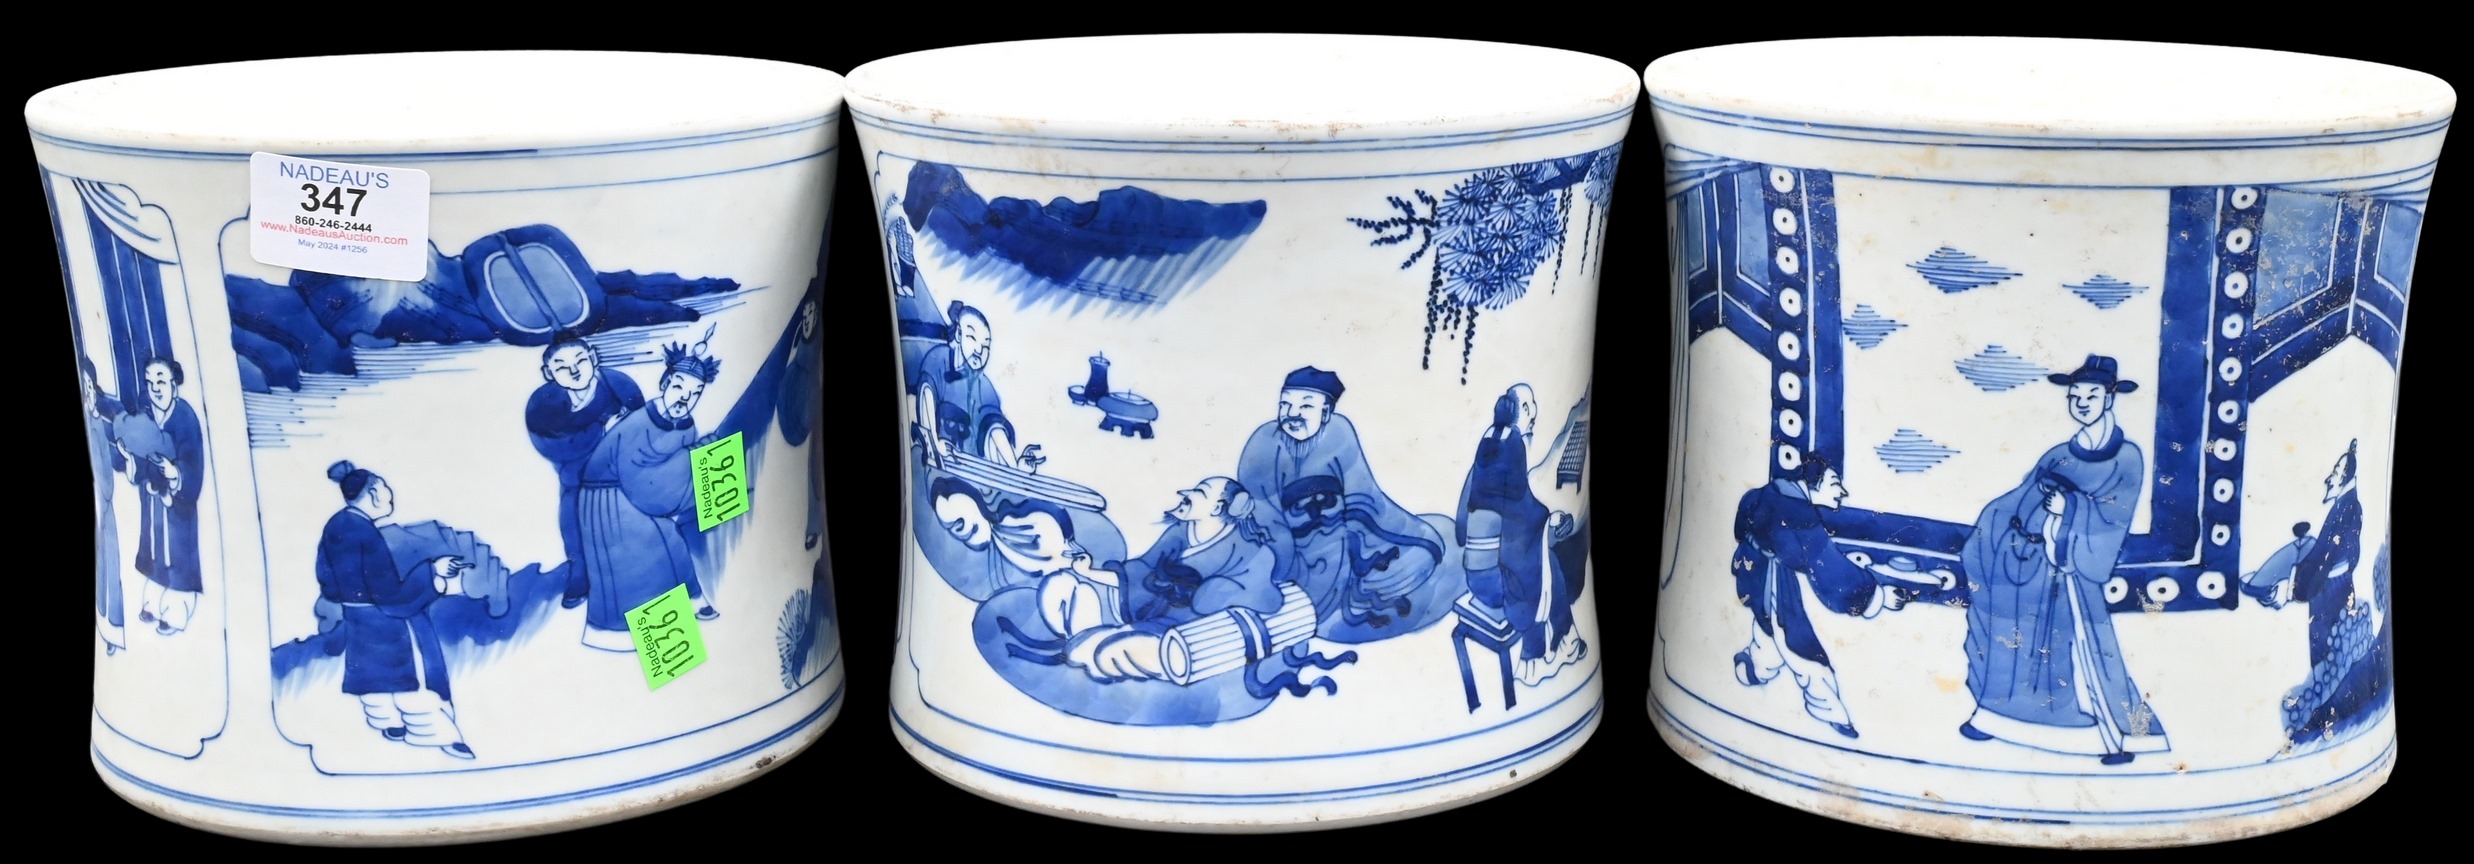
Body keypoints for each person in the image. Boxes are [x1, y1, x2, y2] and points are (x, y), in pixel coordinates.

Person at [1956, 354, 2169, 764]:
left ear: (2109, 398)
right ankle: (1998, 718)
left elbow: (2114, 515)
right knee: (2016, 643)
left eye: (2092, 395)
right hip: (2034, 565)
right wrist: (1989, 532)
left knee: (2087, 652)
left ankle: (2118, 738)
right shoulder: (2057, 455)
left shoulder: (2127, 458)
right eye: (2075, 397)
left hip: (2073, 570)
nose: (2082, 403)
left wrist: (2068, 509)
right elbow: (2019, 498)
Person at [1729, 455, 1950, 738]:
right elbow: (1831, 572)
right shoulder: (1798, 517)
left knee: (1770, 628)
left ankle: (1754, 670)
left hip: (1753, 571)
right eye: (1835, 483)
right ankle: (1830, 714)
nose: (1842, 492)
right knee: (1801, 648)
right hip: (1773, 579)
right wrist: (1878, 598)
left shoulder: (1770, 495)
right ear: (1814, 483)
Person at [1235, 366, 1446, 630]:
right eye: (1285, 405)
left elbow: (1364, 497)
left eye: (1305, 407)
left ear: (1325, 412)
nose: (1292, 415)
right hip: (1290, 542)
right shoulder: (1263, 443)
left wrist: (1347, 539)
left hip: (1342, 532)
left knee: (1420, 554)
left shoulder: (1339, 431)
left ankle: (1352, 586)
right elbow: (1264, 515)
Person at [1034, 477, 1288, 681]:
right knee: (1061, 585)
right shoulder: (1180, 532)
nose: (1186, 494)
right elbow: (1141, 571)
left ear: (1216, 508)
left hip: (1183, 634)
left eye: (1200, 492)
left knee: (1106, 652)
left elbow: (1266, 598)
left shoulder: (1249, 551)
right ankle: (1094, 638)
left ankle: (1099, 644)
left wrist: (1214, 593)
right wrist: (1089, 573)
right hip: (1141, 609)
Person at [314, 461, 475, 759]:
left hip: (357, 617)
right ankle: (437, 735)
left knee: (373, 676)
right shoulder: (366, 533)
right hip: (385, 620)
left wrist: (347, 597)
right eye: (385, 488)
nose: (390, 494)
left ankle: (388, 723)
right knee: (413, 678)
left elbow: (326, 578)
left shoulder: (335, 524)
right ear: (373, 494)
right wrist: (433, 572)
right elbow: (389, 593)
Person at [575, 332, 722, 651]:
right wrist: (694, 457)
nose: (685, 398)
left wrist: (700, 457)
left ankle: (692, 601)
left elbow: (673, 470)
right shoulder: (639, 423)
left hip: (638, 497)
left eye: (694, 393)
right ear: (665, 384)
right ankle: (631, 638)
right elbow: (643, 479)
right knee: (645, 556)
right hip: (607, 499)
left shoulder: (685, 424)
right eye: (679, 387)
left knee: (672, 541)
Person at [1458, 390, 1585, 686]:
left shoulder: (1489, 442)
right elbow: (1520, 510)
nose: (1534, 416)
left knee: (1537, 556)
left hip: (1475, 575)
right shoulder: (1512, 446)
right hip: (1493, 581)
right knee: (1541, 563)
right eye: (1530, 409)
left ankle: (1563, 641)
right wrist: (1550, 519)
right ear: (1522, 410)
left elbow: (1485, 511)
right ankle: (1537, 655)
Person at [524, 335, 645, 610]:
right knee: (573, 523)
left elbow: (641, 424)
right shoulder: (541, 405)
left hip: (620, 472)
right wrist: (602, 430)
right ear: (548, 373)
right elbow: (553, 447)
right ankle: (579, 576)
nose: (574, 370)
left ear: (593, 357)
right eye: (562, 367)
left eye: (580, 361)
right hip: (575, 477)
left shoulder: (618, 385)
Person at [123, 357, 205, 636]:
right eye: (150, 383)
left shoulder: (185, 417)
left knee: (180, 555)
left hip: (178, 503)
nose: (155, 388)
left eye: (161, 381)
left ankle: (176, 612)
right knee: (154, 550)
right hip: (153, 501)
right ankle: (152, 603)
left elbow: (194, 464)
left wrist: (175, 473)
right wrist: (131, 459)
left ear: (174, 384)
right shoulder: (147, 414)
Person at [914, 301, 1042, 473]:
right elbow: (926, 400)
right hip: (939, 458)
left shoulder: (984, 386)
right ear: (958, 334)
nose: (979, 351)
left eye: (986, 345)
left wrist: (1015, 467)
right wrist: (933, 446)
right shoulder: (937, 360)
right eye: (972, 338)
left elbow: (994, 429)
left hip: (972, 466)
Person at [928, 476, 1090, 601]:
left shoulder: (1022, 524)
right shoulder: (999, 543)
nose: (959, 530)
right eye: (950, 527)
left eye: (961, 521)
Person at [80, 356, 128, 654]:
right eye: (84, 384)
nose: (87, 390)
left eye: (89, 385)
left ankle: (114, 626)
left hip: (109, 501)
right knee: (107, 563)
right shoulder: (95, 419)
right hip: (106, 502)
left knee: (111, 562)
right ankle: (110, 629)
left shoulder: (101, 421)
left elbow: (115, 458)